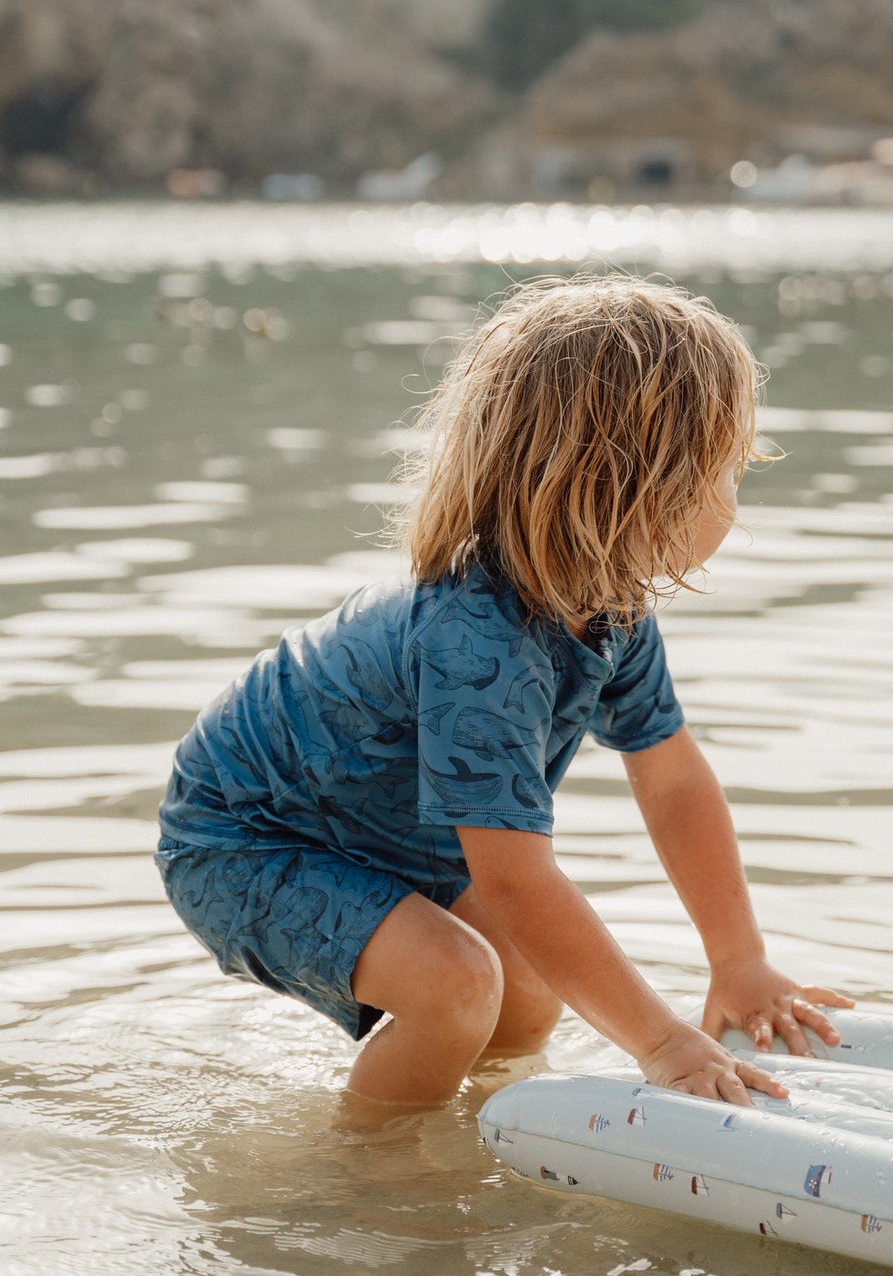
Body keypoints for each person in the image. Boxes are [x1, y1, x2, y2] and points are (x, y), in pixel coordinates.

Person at [154, 275, 853, 1116]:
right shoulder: (482, 638)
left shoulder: (612, 605)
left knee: (524, 988)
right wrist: (663, 1043)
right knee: (456, 981)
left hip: (379, 829)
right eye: (728, 474)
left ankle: (478, 1124)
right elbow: (518, 881)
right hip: (245, 835)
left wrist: (738, 959)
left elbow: (671, 780)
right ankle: (363, 1178)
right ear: (637, 486)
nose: (736, 502)